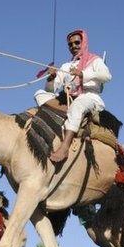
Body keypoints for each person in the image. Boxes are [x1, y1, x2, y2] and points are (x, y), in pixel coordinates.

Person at [33, 29, 111, 163]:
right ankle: (69, 115)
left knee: (78, 104)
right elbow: (50, 89)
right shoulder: (66, 66)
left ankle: (64, 148)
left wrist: (82, 74)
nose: (73, 46)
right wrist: (51, 78)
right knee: (39, 94)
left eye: (77, 42)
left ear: (84, 42)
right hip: (67, 99)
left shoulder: (95, 60)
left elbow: (107, 76)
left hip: (89, 97)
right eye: (70, 44)